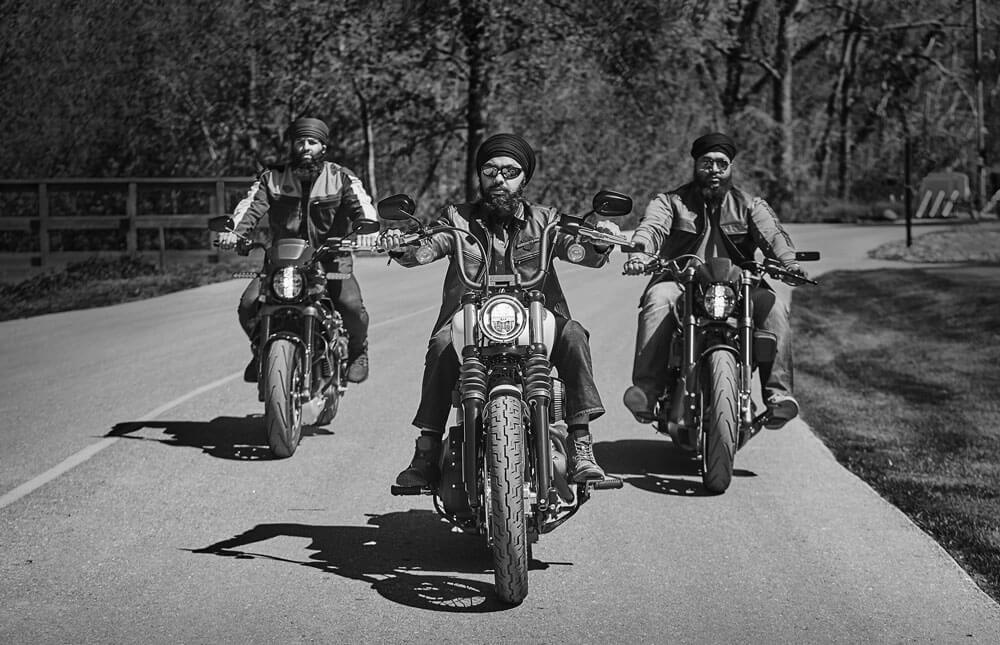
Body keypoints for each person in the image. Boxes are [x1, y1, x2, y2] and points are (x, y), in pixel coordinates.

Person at [376, 133, 620, 487]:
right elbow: (426, 249)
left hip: (536, 320)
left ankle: (581, 445)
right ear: (480, 175)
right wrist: (400, 245)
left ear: (525, 178)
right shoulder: (456, 219)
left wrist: (599, 239)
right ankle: (426, 452)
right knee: (443, 344)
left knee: (573, 333)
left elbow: (580, 249)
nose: (499, 179)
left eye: (510, 171)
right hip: (471, 320)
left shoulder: (547, 220)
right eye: (490, 170)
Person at [622, 132, 808, 429]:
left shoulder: (749, 205)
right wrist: (641, 255)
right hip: (683, 282)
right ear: (695, 165)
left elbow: (773, 235)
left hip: (739, 286)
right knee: (657, 299)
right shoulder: (671, 202)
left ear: (731, 167)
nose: (714, 171)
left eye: (721, 164)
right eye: (706, 163)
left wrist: (789, 264)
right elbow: (651, 228)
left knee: (775, 308)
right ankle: (647, 391)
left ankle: (779, 397)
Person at [217, 116, 377, 383]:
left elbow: (364, 209)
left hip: (331, 259)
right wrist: (233, 233)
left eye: (312, 142)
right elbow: (249, 209)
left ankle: (358, 350)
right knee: (248, 305)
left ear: (323, 147)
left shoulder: (341, 177)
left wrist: (368, 232)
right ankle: (262, 351)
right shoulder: (272, 178)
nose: (305, 147)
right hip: (284, 260)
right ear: (292, 145)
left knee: (350, 306)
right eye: (300, 141)